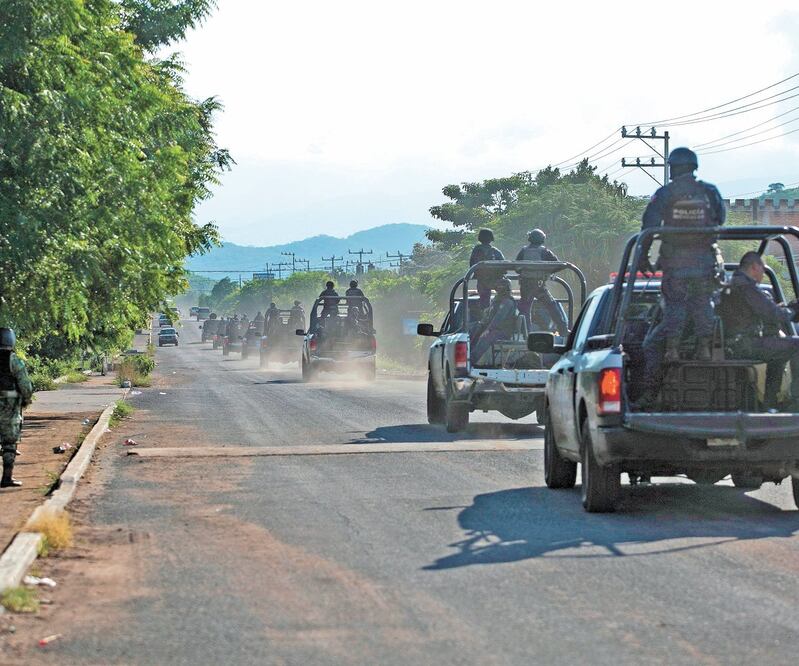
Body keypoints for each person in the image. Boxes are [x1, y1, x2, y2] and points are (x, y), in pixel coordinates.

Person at [638, 147, 726, 405]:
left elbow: (649, 226)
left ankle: (673, 348)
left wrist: (643, 257)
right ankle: (703, 347)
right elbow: (719, 219)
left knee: (675, 303)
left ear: (672, 168)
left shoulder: (665, 194)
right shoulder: (709, 192)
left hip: (675, 264)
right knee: (703, 302)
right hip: (704, 263)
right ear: (694, 166)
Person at [720, 252, 799, 410]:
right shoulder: (745, 287)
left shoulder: (734, 285)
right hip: (745, 345)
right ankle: (795, 400)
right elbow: (772, 313)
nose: (762, 274)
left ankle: (770, 403)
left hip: (738, 343)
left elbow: (761, 312)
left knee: (779, 352)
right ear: (754, 267)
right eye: (762, 270)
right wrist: (792, 311)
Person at [515, 228, 568, 335]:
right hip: (539, 285)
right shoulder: (544, 251)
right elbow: (558, 265)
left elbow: (516, 267)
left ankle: (525, 334)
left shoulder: (523, 251)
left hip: (525, 285)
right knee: (552, 306)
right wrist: (547, 272)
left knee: (525, 310)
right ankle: (563, 330)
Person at [0, 328, 33, 488]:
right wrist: (26, 400)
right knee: (9, 443)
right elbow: (25, 385)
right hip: (9, 407)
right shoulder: (13, 360)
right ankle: (6, 478)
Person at [470, 279, 519, 365]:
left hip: (503, 331)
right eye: (498, 287)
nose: (499, 289)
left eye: (502, 287)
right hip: (494, 329)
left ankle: (471, 361)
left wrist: (488, 330)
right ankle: (468, 354)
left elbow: (498, 318)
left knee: (486, 337)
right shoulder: (496, 301)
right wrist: (481, 325)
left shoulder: (508, 302)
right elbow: (488, 315)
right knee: (474, 328)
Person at [469, 229, 505, 309]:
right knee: (503, 296)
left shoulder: (476, 250)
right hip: (494, 279)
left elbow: (472, 263)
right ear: (491, 238)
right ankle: (498, 310)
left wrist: (476, 274)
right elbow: (503, 264)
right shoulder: (495, 251)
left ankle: (485, 314)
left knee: (484, 300)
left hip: (482, 280)